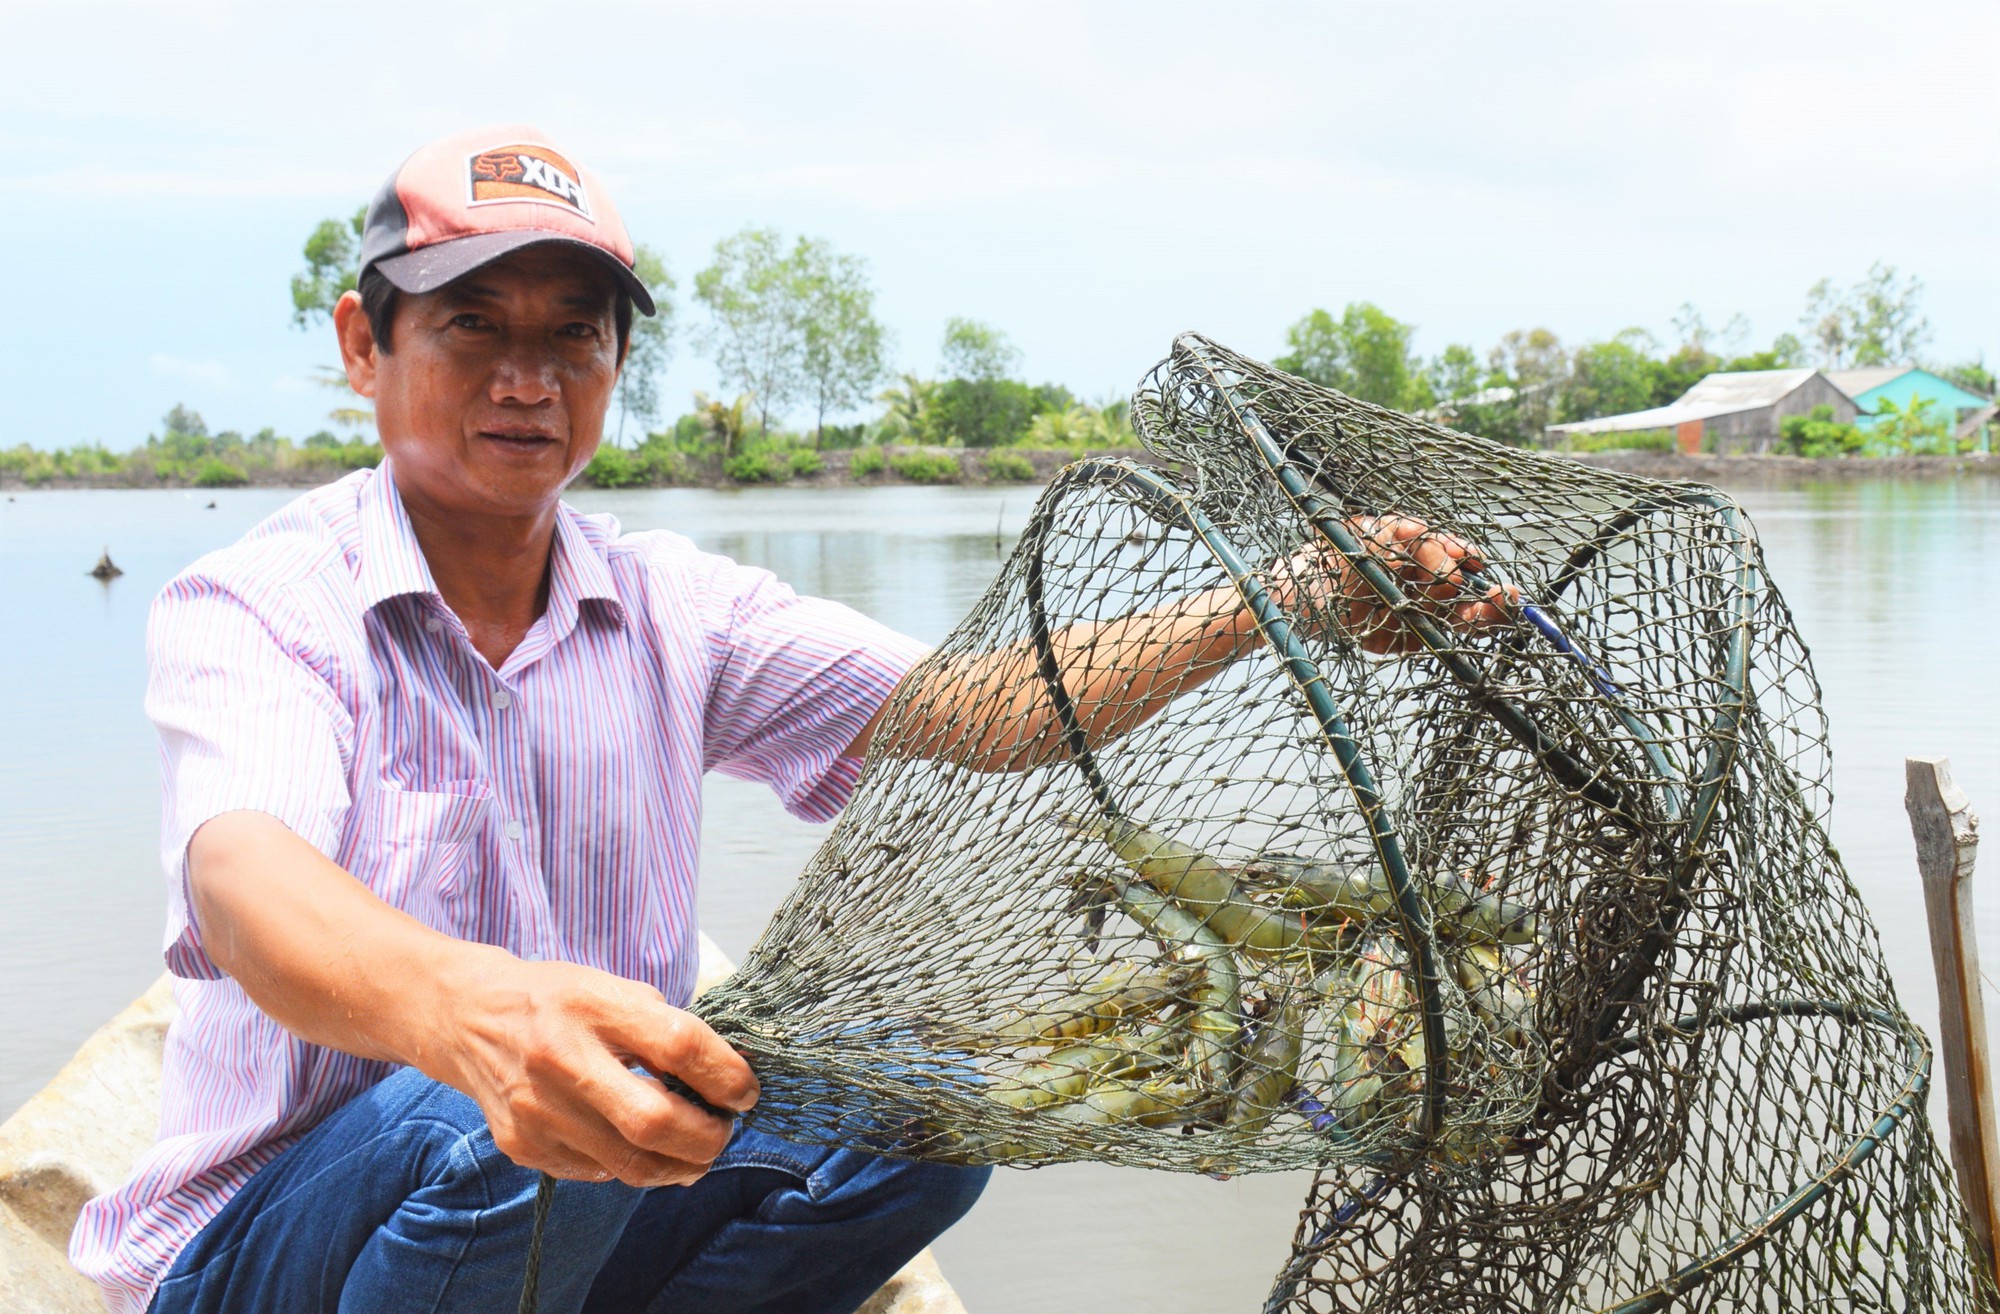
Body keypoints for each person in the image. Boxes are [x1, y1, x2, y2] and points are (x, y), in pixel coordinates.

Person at [71, 125, 1509, 1314]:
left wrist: (1290, 593)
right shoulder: (260, 602)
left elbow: (985, 706)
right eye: (471, 326)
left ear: (616, 366)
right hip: (268, 1251)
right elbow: (252, 887)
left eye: (574, 335)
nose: (528, 377)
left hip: (544, 1204)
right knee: (529, 1101)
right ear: (363, 344)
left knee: (919, 1119)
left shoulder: (671, 606)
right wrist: (479, 1014)